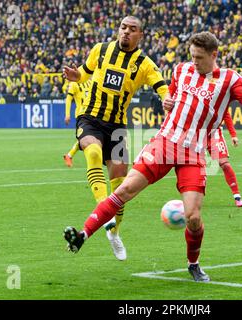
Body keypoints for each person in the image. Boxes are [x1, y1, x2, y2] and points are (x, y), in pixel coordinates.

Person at [63, 31, 242, 282]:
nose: (195, 62)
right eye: (192, 56)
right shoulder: (181, 70)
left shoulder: (230, 80)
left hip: (194, 154)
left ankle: (193, 264)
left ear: (214, 55)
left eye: (199, 58)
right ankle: (82, 236)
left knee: (193, 217)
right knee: (123, 191)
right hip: (165, 144)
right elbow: (171, 98)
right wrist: (168, 103)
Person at [62, 16, 169, 260]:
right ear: (117, 29)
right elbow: (84, 74)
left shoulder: (143, 63)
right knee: (92, 151)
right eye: (123, 28)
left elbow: (162, 86)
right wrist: (74, 75)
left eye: (132, 30)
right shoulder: (100, 50)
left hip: (117, 127)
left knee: (121, 186)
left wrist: (166, 98)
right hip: (89, 118)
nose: (126, 33)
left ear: (140, 35)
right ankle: (106, 216)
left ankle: (114, 232)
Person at [207, 111, 242, 207]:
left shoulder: (218, 97)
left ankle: (237, 196)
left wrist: (233, 135)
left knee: (224, 164)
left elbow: (225, 113)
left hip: (213, 133)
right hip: (194, 133)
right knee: (193, 166)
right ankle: (195, 195)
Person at [63, 79, 91, 168]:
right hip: (81, 115)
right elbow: (68, 99)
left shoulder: (90, 81)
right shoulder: (74, 84)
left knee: (89, 138)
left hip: (92, 114)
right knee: (84, 138)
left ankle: (69, 155)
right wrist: (67, 114)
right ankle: (69, 155)